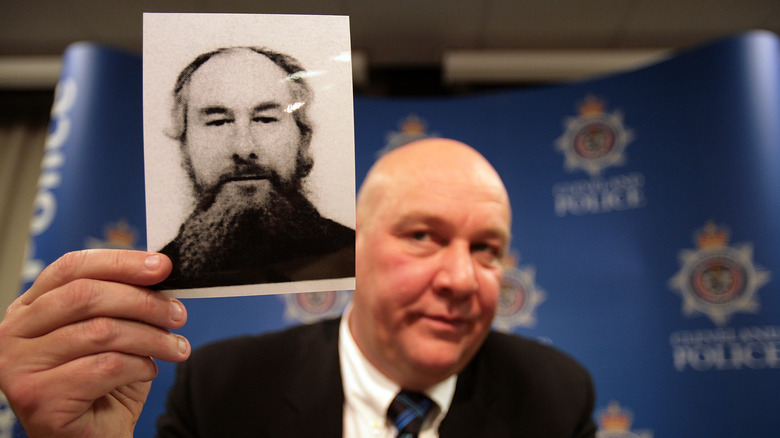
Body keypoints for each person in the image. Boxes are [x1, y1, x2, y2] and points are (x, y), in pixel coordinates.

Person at [0, 138, 596, 438]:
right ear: (352, 248)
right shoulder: (223, 392)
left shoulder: (553, 398)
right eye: (422, 236)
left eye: (486, 249)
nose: (462, 280)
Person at [156, 46, 355, 289]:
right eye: (218, 122)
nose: (243, 147)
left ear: (302, 139)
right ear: (184, 145)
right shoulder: (158, 278)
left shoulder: (359, 259)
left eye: (265, 119)